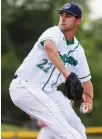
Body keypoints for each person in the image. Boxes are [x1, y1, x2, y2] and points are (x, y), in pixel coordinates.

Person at [9, 2, 93, 139]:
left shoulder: (78, 51)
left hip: (48, 91)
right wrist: (66, 72)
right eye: (62, 14)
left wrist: (88, 102)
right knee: (58, 120)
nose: (63, 18)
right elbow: (49, 47)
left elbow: (87, 81)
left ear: (78, 21)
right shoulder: (53, 32)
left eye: (68, 16)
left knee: (76, 123)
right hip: (24, 86)